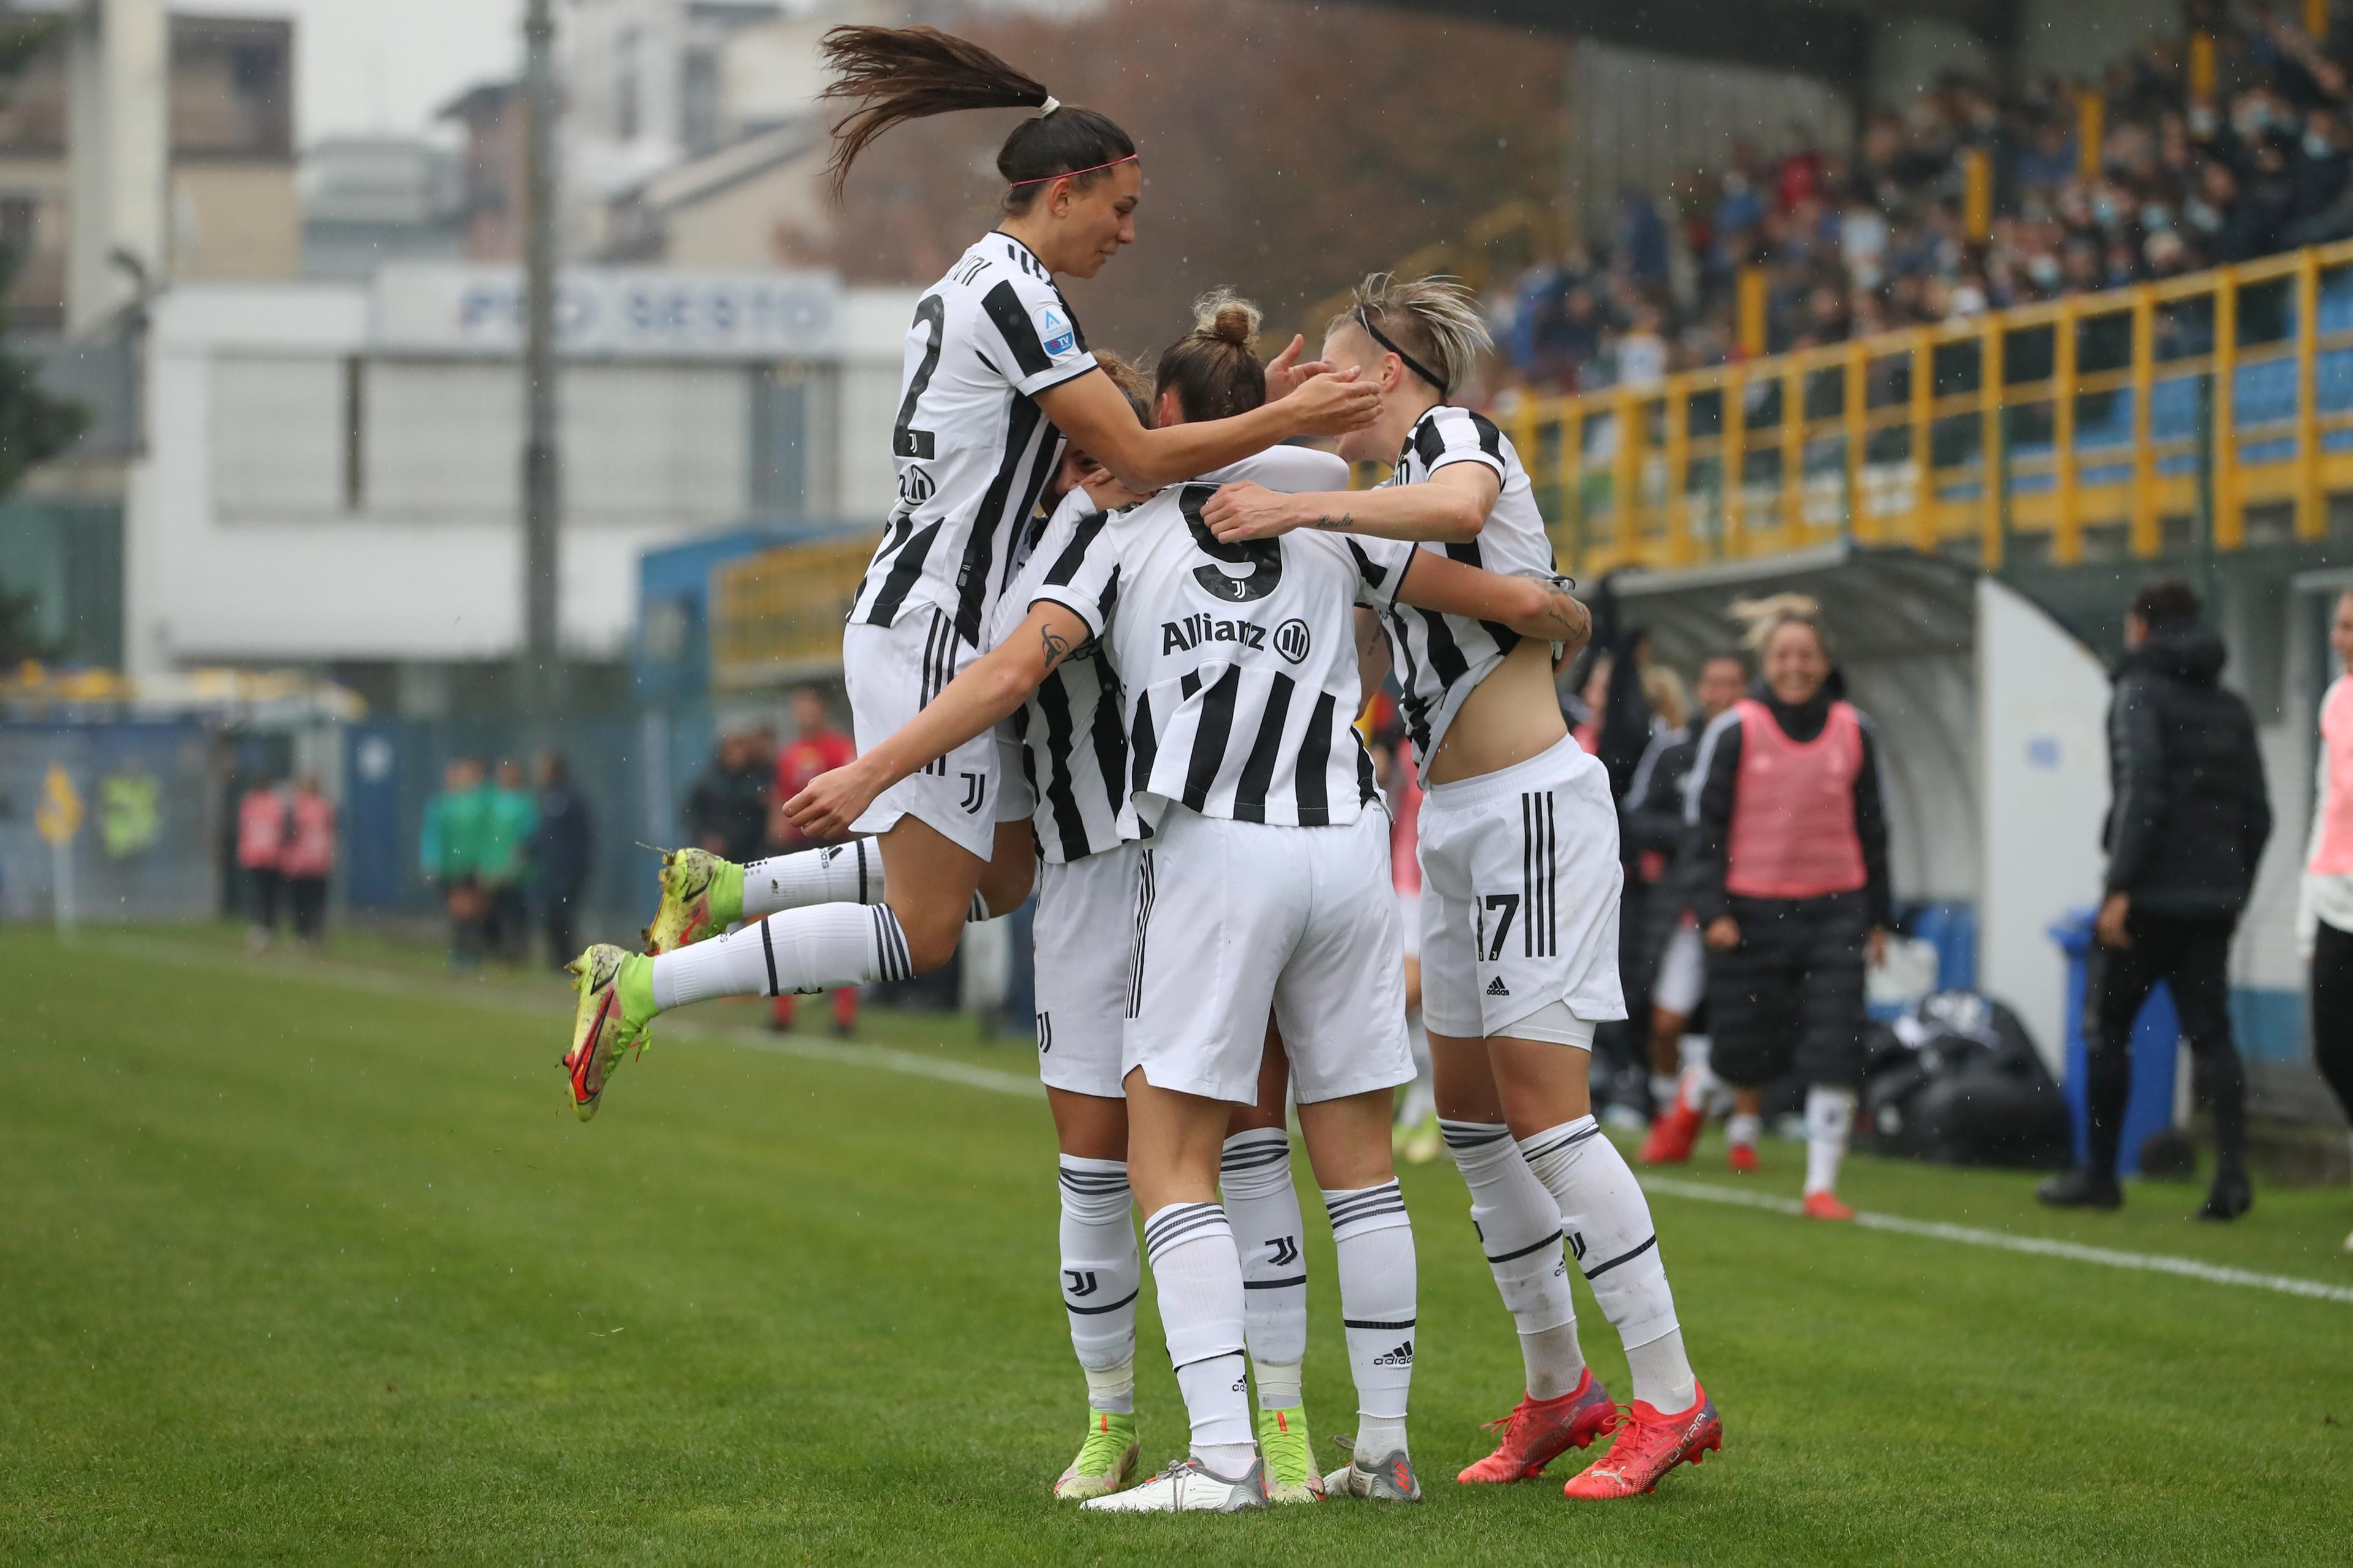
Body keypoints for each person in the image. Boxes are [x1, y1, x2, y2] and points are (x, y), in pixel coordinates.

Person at [786, 291, 1591, 1513]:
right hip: (1350, 847)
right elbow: (1510, 600)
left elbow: (1011, 668)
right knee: (1361, 1166)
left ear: (1159, 419)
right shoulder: (1323, 508)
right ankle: (1380, 1448)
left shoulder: (1109, 518)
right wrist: (1557, 608)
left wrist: (872, 766)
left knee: (1168, 1153)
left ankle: (1220, 1458)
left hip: (1221, 850)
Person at [558, 22, 1379, 1121]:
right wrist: (1284, 416)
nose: (1131, 233)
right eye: (1122, 208)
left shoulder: (1006, 288)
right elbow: (1131, 455)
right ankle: (644, 982)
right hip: (934, 628)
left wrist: (1243, 408)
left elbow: (1114, 438)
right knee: (925, 926)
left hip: (935, 611)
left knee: (1003, 872)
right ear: (1067, 190)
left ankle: (727, 889)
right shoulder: (1014, 294)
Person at [1200, 274, 1718, 1502]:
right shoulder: (1362, 496)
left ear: (1385, 370)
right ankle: (1559, 1390)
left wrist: (1289, 497)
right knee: (1477, 1121)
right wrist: (1280, 435)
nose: (1321, 390)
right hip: (1454, 820)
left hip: (1534, 807)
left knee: (1549, 1112)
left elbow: (1459, 506)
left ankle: (1671, 1394)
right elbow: (1445, 579)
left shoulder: (1451, 441)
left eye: (1332, 368)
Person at [2040, 576, 2272, 1220]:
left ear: (2140, 625)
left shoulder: (2137, 693)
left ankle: (2099, 1174)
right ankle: (2231, 1178)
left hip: (2148, 899)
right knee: (2213, 1037)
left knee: (2107, 1028)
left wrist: (2120, 887)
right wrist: (2234, 889)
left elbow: (2143, 793)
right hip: (2213, 902)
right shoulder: (2232, 707)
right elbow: (2259, 814)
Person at [1684, 595, 1892, 1220]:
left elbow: (1874, 829)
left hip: (1836, 909)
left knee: (1834, 1041)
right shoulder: (1736, 728)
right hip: (1750, 911)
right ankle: (1693, 1100)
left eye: (1807, 655)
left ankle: (1820, 1185)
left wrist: (1880, 917)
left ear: (1825, 662)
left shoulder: (1855, 730)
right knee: (1746, 1051)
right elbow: (1706, 828)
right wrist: (1712, 908)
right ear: (1765, 663)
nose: (1795, 666)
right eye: (1783, 656)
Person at [1640, 651, 1751, 1164]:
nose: (1723, 692)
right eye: (1714, 682)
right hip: (1689, 910)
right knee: (1667, 1021)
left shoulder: (1761, 747)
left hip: (1750, 903)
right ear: (1700, 689)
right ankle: (1669, 1109)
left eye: (1733, 683)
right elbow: (1638, 816)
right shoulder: (1674, 752)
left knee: (1747, 1020)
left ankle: (1742, 1135)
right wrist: (1694, 837)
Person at [2299, 589, 2353, 1254]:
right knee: (2331, 1048)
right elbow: (2324, 806)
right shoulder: (2335, 701)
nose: (2342, 637)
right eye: (2341, 624)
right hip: (2335, 902)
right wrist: (2303, 917)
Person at [768, 687, 861, 1036]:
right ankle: (782, 1014)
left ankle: (844, 1017)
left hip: (833, 849)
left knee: (841, 932)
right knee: (787, 933)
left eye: (810, 706)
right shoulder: (788, 755)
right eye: (799, 707)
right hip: (795, 852)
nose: (804, 714)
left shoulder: (839, 749)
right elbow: (779, 799)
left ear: (822, 709)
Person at [420, 758, 490, 969]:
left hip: (473, 864)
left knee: (473, 909)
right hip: (454, 864)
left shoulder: (481, 802)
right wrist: (432, 861)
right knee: (459, 908)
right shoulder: (445, 804)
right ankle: (461, 952)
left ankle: (470, 952)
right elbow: (434, 834)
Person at [533, 752, 594, 971]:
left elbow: (582, 835)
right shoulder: (547, 797)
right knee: (551, 915)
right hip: (550, 869)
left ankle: (566, 960)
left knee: (564, 915)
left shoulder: (571, 797)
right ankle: (556, 961)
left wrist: (578, 865)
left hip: (568, 870)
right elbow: (544, 834)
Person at [480, 760, 540, 965]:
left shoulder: (525, 804)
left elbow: (529, 838)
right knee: (490, 914)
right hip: (492, 870)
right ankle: (495, 953)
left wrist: (515, 865)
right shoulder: (492, 803)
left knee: (515, 913)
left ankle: (516, 955)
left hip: (516, 874)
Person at [279, 773, 336, 944]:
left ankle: (311, 933)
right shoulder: (306, 806)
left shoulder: (316, 807)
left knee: (311, 900)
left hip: (311, 862)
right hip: (305, 862)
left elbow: (329, 833)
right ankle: (306, 933)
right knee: (305, 900)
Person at [235, 776, 287, 951]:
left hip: (269, 856)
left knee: (267, 895)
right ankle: (262, 927)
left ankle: (266, 927)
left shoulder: (269, 804)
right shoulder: (254, 803)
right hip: (258, 856)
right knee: (261, 894)